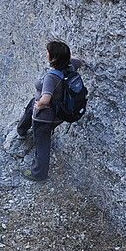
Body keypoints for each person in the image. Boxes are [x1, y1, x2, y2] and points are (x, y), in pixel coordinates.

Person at [17, 40, 87, 181]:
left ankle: (38, 174)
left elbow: (46, 99)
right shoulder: (70, 66)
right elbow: (80, 62)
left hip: (45, 117)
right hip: (59, 113)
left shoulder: (51, 77)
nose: (46, 54)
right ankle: (22, 130)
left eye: (48, 52)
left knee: (42, 144)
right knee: (31, 105)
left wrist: (40, 105)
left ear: (53, 58)